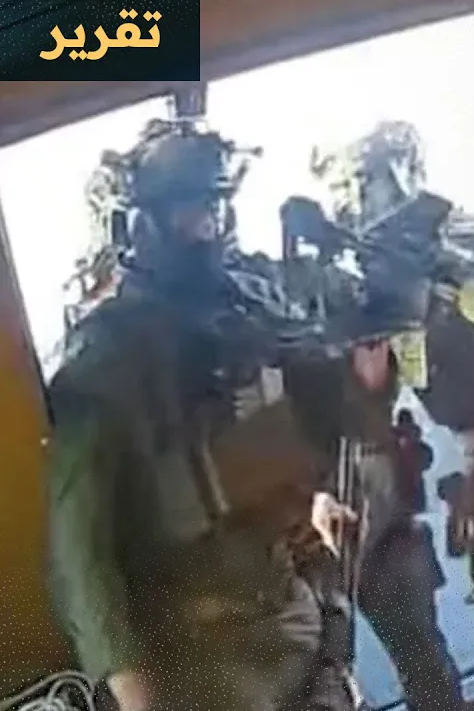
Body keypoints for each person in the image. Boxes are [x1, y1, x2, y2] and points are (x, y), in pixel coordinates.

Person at [45, 118, 394, 711]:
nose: (209, 227)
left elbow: (337, 419)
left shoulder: (249, 308)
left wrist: (366, 379)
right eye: (190, 213)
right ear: (143, 226)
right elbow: (79, 548)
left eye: (215, 207)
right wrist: (129, 686)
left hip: (290, 613)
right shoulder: (104, 355)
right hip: (197, 653)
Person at [307, 121, 467, 711]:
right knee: (330, 675)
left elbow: (439, 391)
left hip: (384, 509)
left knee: (426, 667)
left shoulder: (406, 279)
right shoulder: (311, 291)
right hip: (327, 518)